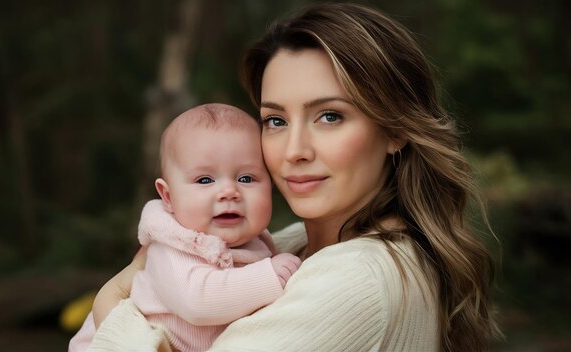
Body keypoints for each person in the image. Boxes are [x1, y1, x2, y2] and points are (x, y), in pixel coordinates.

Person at [80, 3, 500, 351]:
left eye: (330, 116)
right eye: (276, 120)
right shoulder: (290, 245)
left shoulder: (356, 278)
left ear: (394, 130)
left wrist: (111, 303)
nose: (294, 150)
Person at [68, 103, 301, 352]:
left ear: (271, 186)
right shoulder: (173, 246)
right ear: (168, 197)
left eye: (246, 178)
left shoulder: (259, 242)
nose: (229, 192)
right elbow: (197, 302)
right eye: (204, 180)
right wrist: (268, 276)